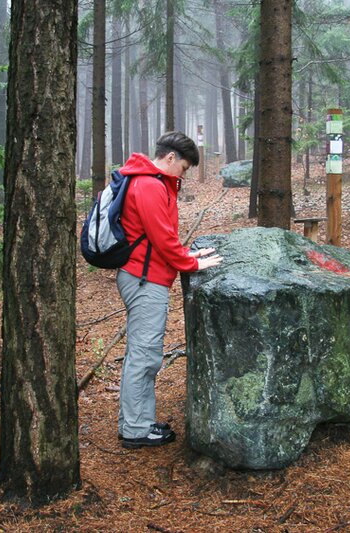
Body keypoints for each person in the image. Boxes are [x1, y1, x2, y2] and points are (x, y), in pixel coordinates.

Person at [116, 131, 223, 449]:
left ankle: (137, 421)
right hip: (144, 280)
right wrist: (190, 264)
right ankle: (135, 429)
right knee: (144, 356)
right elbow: (161, 237)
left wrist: (187, 254)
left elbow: (158, 237)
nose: (184, 174)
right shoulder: (149, 184)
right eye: (185, 168)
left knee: (142, 354)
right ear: (171, 157)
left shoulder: (150, 180)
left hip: (145, 276)